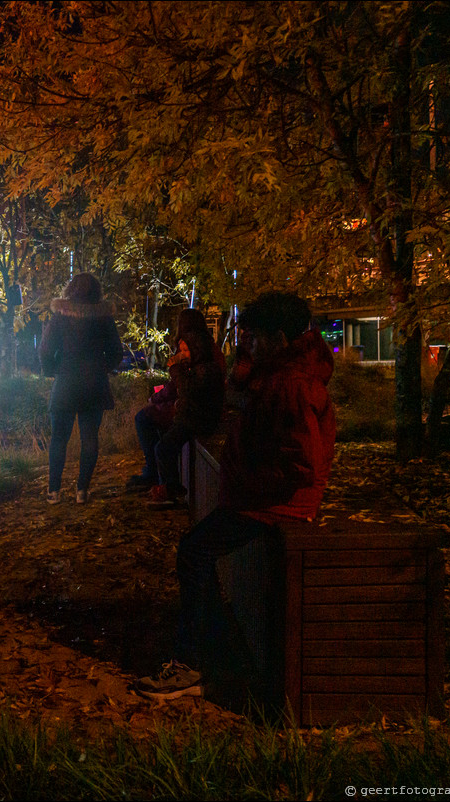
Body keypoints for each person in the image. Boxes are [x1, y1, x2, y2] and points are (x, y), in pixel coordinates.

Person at [132, 291, 335, 700]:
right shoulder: (280, 373)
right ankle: (205, 650)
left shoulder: (290, 384)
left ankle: (192, 663)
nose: (246, 344)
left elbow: (304, 464)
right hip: (262, 498)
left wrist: (248, 487)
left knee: (194, 552)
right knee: (196, 552)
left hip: (274, 504)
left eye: (254, 337)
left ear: (278, 338)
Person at [126, 308, 226, 509]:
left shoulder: (202, 360)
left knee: (149, 423)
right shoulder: (202, 354)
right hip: (190, 410)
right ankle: (162, 479)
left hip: (196, 414)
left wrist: (165, 389)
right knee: (159, 434)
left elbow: (185, 387)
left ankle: (164, 482)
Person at [38, 272, 124, 504]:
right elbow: (117, 352)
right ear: (97, 291)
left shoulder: (60, 316)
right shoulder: (104, 317)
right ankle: (81, 491)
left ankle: (53, 492)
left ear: (70, 289)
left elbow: (45, 350)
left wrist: (53, 370)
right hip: (94, 384)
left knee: (58, 438)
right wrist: (101, 367)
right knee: (89, 438)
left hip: (66, 382)